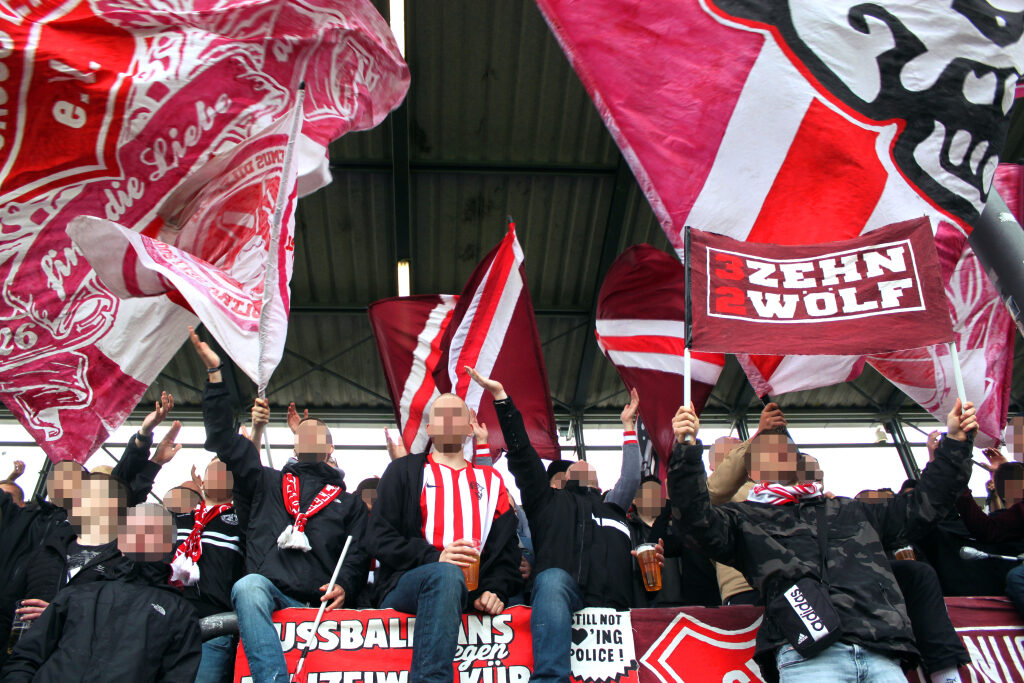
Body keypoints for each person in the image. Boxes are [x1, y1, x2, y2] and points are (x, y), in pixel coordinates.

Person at [668, 399, 977, 682]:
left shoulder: (851, 511)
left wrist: (956, 443)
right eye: (766, 455)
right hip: (807, 657)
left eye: (787, 453)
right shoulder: (747, 519)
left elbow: (923, 505)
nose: (779, 458)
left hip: (880, 653)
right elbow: (695, 522)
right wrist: (686, 449)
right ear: (751, 470)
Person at [191, 327, 369, 683]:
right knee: (247, 586)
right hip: (268, 600)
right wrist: (214, 376)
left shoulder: (350, 504)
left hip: (319, 612)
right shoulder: (265, 481)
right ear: (294, 444)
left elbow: (360, 553)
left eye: (318, 434)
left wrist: (346, 584)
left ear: (331, 449)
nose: (309, 437)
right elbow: (223, 441)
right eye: (303, 432)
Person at [468, 367, 661, 683]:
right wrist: (502, 400)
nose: (583, 465)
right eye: (576, 467)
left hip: (614, 610)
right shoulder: (545, 502)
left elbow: (630, 477)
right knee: (553, 579)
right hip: (561, 594)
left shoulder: (614, 506)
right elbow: (522, 455)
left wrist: (628, 427)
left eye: (591, 469)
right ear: (560, 480)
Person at [368, 390, 522, 683]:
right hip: (408, 584)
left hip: (472, 590)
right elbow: (378, 537)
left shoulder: (492, 482)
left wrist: (496, 590)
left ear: (469, 428)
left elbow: (508, 550)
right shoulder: (403, 471)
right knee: (446, 575)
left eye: (457, 415)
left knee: (450, 578)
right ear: (429, 429)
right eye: (441, 415)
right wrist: (434, 557)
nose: (449, 421)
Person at [1, 503, 202, 682]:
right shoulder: (77, 594)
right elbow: (26, 657)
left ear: (169, 544)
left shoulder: (180, 613)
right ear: (120, 540)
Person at [171, 457, 245, 683]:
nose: (219, 473)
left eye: (226, 470)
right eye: (213, 469)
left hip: (215, 624)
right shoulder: (177, 518)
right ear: (202, 482)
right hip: (167, 620)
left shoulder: (245, 520)